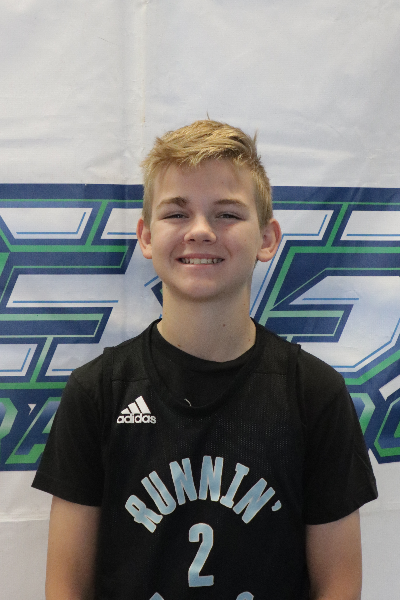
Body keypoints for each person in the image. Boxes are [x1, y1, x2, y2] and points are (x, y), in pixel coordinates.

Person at [32, 119, 378, 600]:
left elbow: (338, 586)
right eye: (177, 213)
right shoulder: (98, 392)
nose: (200, 231)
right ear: (146, 236)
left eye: (227, 214)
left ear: (267, 238)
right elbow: (66, 587)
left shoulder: (314, 393)